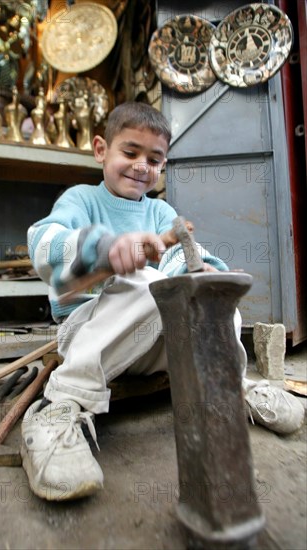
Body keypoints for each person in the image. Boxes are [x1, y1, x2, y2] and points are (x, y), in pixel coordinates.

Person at [22, 102, 304, 502]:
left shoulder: (160, 211)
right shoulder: (81, 200)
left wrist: (202, 272)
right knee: (143, 281)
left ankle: (230, 384)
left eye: (154, 160)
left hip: (152, 344)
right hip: (88, 338)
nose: (141, 167)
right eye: (130, 153)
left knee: (208, 294)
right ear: (101, 149)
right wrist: (106, 250)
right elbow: (42, 244)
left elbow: (184, 257)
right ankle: (60, 406)